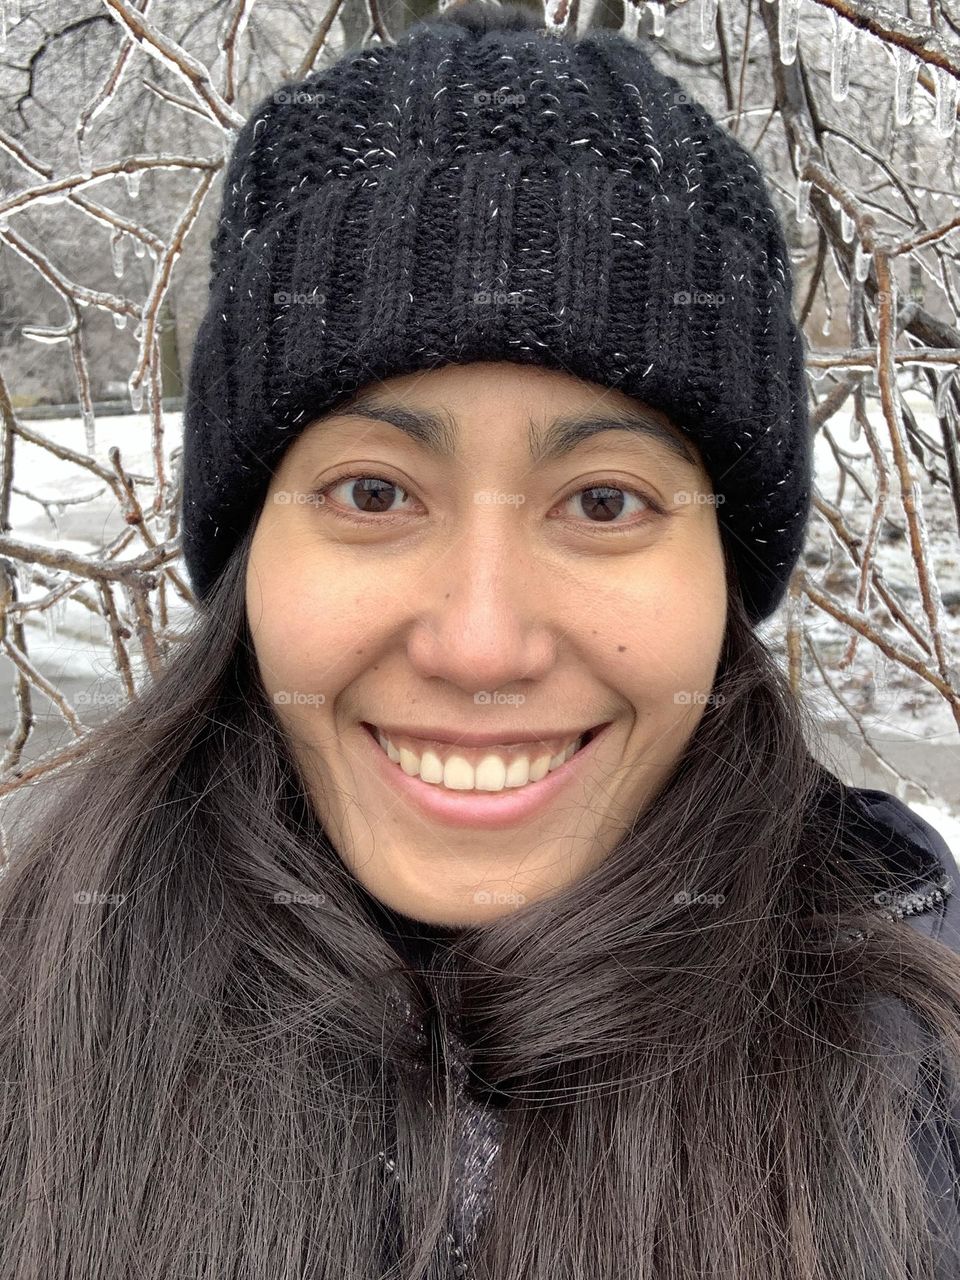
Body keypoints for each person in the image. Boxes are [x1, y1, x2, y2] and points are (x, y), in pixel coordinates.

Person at [2, 4, 959, 1277]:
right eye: (375, 494)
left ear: (727, 568)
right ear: (250, 557)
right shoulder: (34, 1034)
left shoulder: (922, 1072)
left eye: (606, 502)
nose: (481, 643)